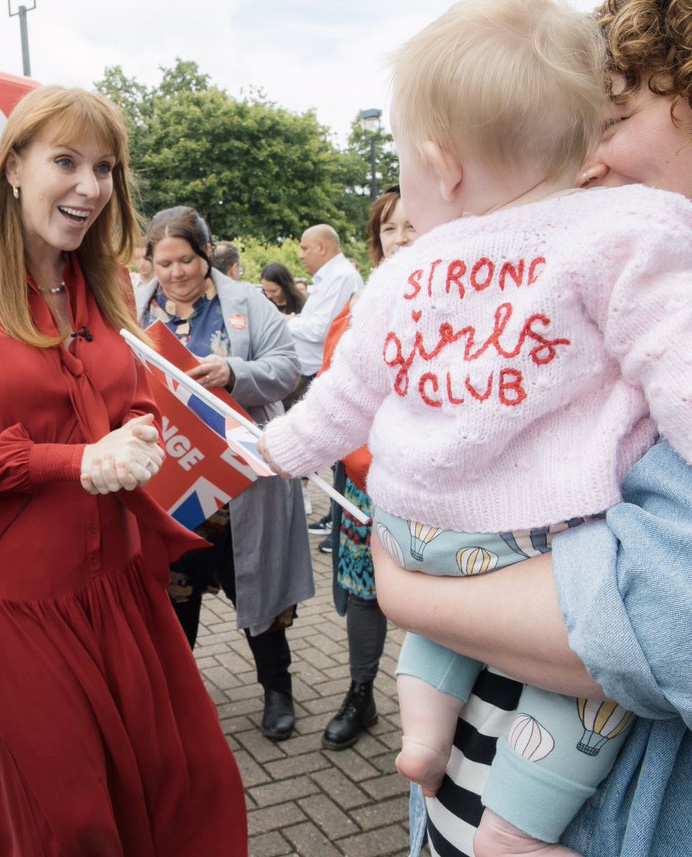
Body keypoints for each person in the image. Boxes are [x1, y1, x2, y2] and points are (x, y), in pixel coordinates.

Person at [259, 0, 692, 853]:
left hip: (415, 532)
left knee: (444, 648)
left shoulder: (411, 269)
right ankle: (507, 821)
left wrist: (279, 453)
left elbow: (345, 398)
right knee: (579, 704)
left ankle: (431, 745)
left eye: (615, 118)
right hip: (527, 542)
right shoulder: (629, 236)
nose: (594, 156)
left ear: (439, 165)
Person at [0, 85, 247, 855]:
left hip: (117, 577)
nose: (90, 186)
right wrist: (74, 459)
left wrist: (141, 432)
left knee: (189, 783)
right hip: (12, 594)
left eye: (105, 167)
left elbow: (131, 397)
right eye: (65, 161)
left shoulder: (106, 279)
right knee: (73, 821)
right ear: (13, 166)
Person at [136, 206, 312, 742]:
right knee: (175, 595)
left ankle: (277, 690)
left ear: (206, 254)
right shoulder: (135, 308)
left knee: (258, 592)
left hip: (243, 484)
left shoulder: (248, 303)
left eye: (186, 260)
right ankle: (179, 700)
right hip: (176, 483)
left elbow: (288, 367)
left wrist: (235, 372)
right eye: (164, 263)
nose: (176, 273)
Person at [318, 186, 415, 753]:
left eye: (411, 225)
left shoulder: (470, 297)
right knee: (363, 592)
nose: (400, 239)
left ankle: (448, 712)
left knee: (449, 601)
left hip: (442, 490)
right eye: (388, 229)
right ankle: (361, 693)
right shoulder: (358, 308)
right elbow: (333, 394)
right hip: (368, 485)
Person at [286, 223, 362, 383]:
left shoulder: (341, 277)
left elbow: (320, 330)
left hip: (318, 375)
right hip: (312, 372)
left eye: (304, 248)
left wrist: (289, 321)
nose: (300, 255)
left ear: (321, 247)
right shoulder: (332, 277)